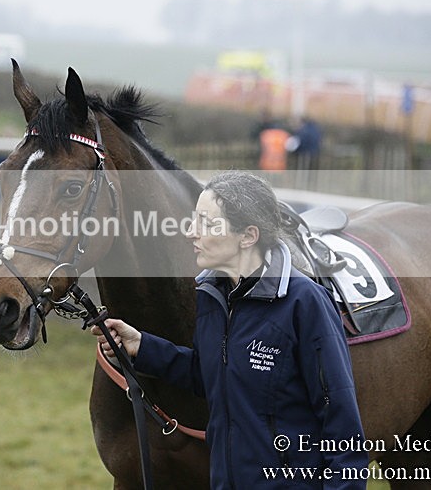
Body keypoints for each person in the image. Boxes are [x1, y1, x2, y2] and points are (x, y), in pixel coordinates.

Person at [92, 170, 368, 489]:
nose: (191, 233)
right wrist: (142, 345)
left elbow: (341, 418)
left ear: (248, 236)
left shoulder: (304, 303)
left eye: (208, 224)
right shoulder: (212, 296)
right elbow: (211, 374)